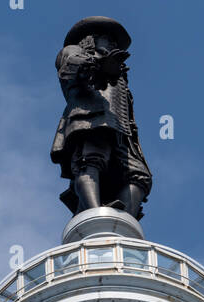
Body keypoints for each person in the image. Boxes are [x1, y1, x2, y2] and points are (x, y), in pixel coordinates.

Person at [51, 17, 152, 218]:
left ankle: (121, 218)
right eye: (108, 39)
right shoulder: (75, 52)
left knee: (139, 175)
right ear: (91, 39)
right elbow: (72, 67)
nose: (113, 44)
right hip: (91, 120)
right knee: (90, 161)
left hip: (122, 131)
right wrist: (99, 63)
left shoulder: (119, 72)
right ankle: (95, 214)